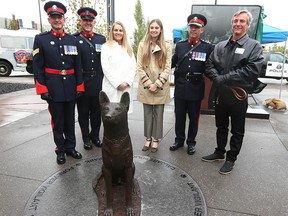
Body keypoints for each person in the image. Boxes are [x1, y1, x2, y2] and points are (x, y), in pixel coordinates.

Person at [202, 10, 264, 174]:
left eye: (242, 21)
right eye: (235, 20)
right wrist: (218, 78)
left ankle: (231, 159)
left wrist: (224, 78)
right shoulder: (221, 45)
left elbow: (252, 70)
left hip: (238, 95)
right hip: (221, 93)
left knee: (237, 129)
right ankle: (219, 152)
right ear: (232, 23)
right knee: (220, 126)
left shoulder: (254, 46)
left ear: (248, 25)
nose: (238, 24)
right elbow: (209, 65)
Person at [32, 1, 84, 165]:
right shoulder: (41, 39)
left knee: (70, 119)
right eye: (53, 17)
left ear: (64, 19)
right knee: (58, 121)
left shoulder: (72, 40)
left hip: (70, 86)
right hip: (53, 88)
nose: (57, 20)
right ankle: (60, 150)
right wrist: (42, 88)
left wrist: (79, 86)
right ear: (49, 20)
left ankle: (71, 147)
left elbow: (78, 66)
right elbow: (37, 66)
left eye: (59, 17)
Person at [169, 14, 213, 155]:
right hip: (181, 87)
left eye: (197, 27)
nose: (193, 29)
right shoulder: (180, 45)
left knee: (194, 118)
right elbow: (172, 62)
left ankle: (191, 142)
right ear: (188, 28)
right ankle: (179, 140)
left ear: (201, 30)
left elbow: (210, 67)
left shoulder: (207, 48)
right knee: (179, 116)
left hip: (196, 87)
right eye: (191, 27)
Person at [137, 19, 172, 153]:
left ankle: (156, 139)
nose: (154, 30)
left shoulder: (167, 46)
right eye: (152, 27)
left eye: (156, 28)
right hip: (146, 86)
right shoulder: (142, 45)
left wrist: (157, 84)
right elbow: (139, 67)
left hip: (160, 86)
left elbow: (168, 67)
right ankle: (147, 138)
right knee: (147, 114)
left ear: (161, 29)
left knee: (158, 114)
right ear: (149, 29)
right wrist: (148, 83)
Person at [74, 7, 106, 150]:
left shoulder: (101, 39)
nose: (88, 23)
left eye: (90, 20)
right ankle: (86, 138)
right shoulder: (74, 39)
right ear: (80, 21)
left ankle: (95, 136)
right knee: (83, 113)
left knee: (96, 112)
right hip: (83, 82)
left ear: (94, 22)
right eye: (85, 20)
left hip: (98, 82)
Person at [101, 21, 136, 110]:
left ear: (124, 32)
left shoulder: (128, 48)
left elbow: (133, 67)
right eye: (116, 30)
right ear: (112, 32)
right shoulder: (106, 47)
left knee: (123, 114)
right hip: (112, 87)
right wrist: (117, 84)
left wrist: (127, 82)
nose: (118, 32)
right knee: (111, 114)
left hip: (125, 87)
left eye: (121, 30)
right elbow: (106, 68)